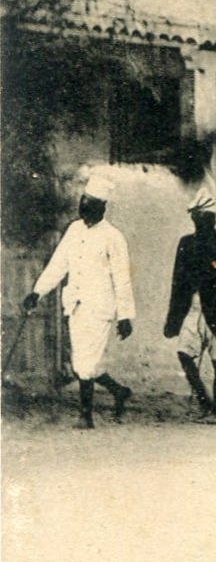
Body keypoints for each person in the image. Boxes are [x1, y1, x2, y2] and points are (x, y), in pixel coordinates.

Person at [23, 176, 135, 428]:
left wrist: (126, 315)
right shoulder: (74, 230)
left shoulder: (113, 237)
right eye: (83, 202)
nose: (84, 207)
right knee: (81, 363)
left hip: (100, 307)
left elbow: (122, 278)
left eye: (91, 204)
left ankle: (86, 417)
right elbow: (58, 264)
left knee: (86, 362)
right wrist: (37, 292)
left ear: (102, 207)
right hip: (75, 304)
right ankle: (119, 391)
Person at [163, 189, 216, 424]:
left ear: (212, 218)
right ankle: (204, 400)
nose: (199, 220)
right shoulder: (186, 243)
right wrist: (173, 319)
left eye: (204, 216)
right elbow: (178, 281)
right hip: (193, 308)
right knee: (184, 354)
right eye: (196, 216)